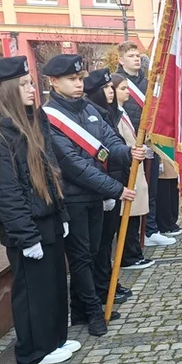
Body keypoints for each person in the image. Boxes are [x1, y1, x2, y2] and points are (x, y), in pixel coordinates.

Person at [0, 56, 76, 364]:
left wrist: (62, 213)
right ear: (6, 90)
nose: (32, 89)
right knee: (33, 291)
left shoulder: (31, 119)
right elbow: (4, 190)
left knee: (54, 285)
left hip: (49, 216)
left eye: (31, 83)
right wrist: (26, 236)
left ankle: (55, 341)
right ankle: (33, 350)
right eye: (24, 85)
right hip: (27, 224)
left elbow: (49, 169)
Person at [43, 54, 144, 336]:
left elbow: (109, 139)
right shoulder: (50, 117)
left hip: (96, 197)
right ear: (54, 82)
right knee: (81, 257)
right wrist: (116, 189)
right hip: (74, 197)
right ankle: (92, 311)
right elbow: (73, 166)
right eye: (72, 80)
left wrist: (127, 152)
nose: (78, 84)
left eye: (80, 79)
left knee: (97, 251)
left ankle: (83, 307)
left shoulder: (88, 107)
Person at [84, 69, 140, 308]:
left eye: (111, 87)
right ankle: (103, 286)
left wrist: (129, 153)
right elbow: (98, 153)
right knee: (101, 244)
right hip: (104, 184)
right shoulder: (93, 113)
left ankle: (110, 283)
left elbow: (114, 144)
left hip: (113, 181)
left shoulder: (106, 113)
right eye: (107, 88)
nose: (111, 91)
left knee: (108, 241)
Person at [117, 41, 177, 247]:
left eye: (137, 55)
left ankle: (151, 229)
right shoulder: (118, 82)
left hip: (151, 143)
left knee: (151, 189)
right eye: (131, 55)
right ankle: (137, 235)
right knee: (136, 190)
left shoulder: (147, 83)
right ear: (120, 59)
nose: (136, 58)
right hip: (130, 144)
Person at [110, 72, 153, 272]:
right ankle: (129, 255)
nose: (127, 92)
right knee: (128, 215)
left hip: (135, 165)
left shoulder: (122, 111)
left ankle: (134, 252)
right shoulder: (113, 115)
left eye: (127, 87)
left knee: (135, 215)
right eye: (122, 88)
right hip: (126, 169)